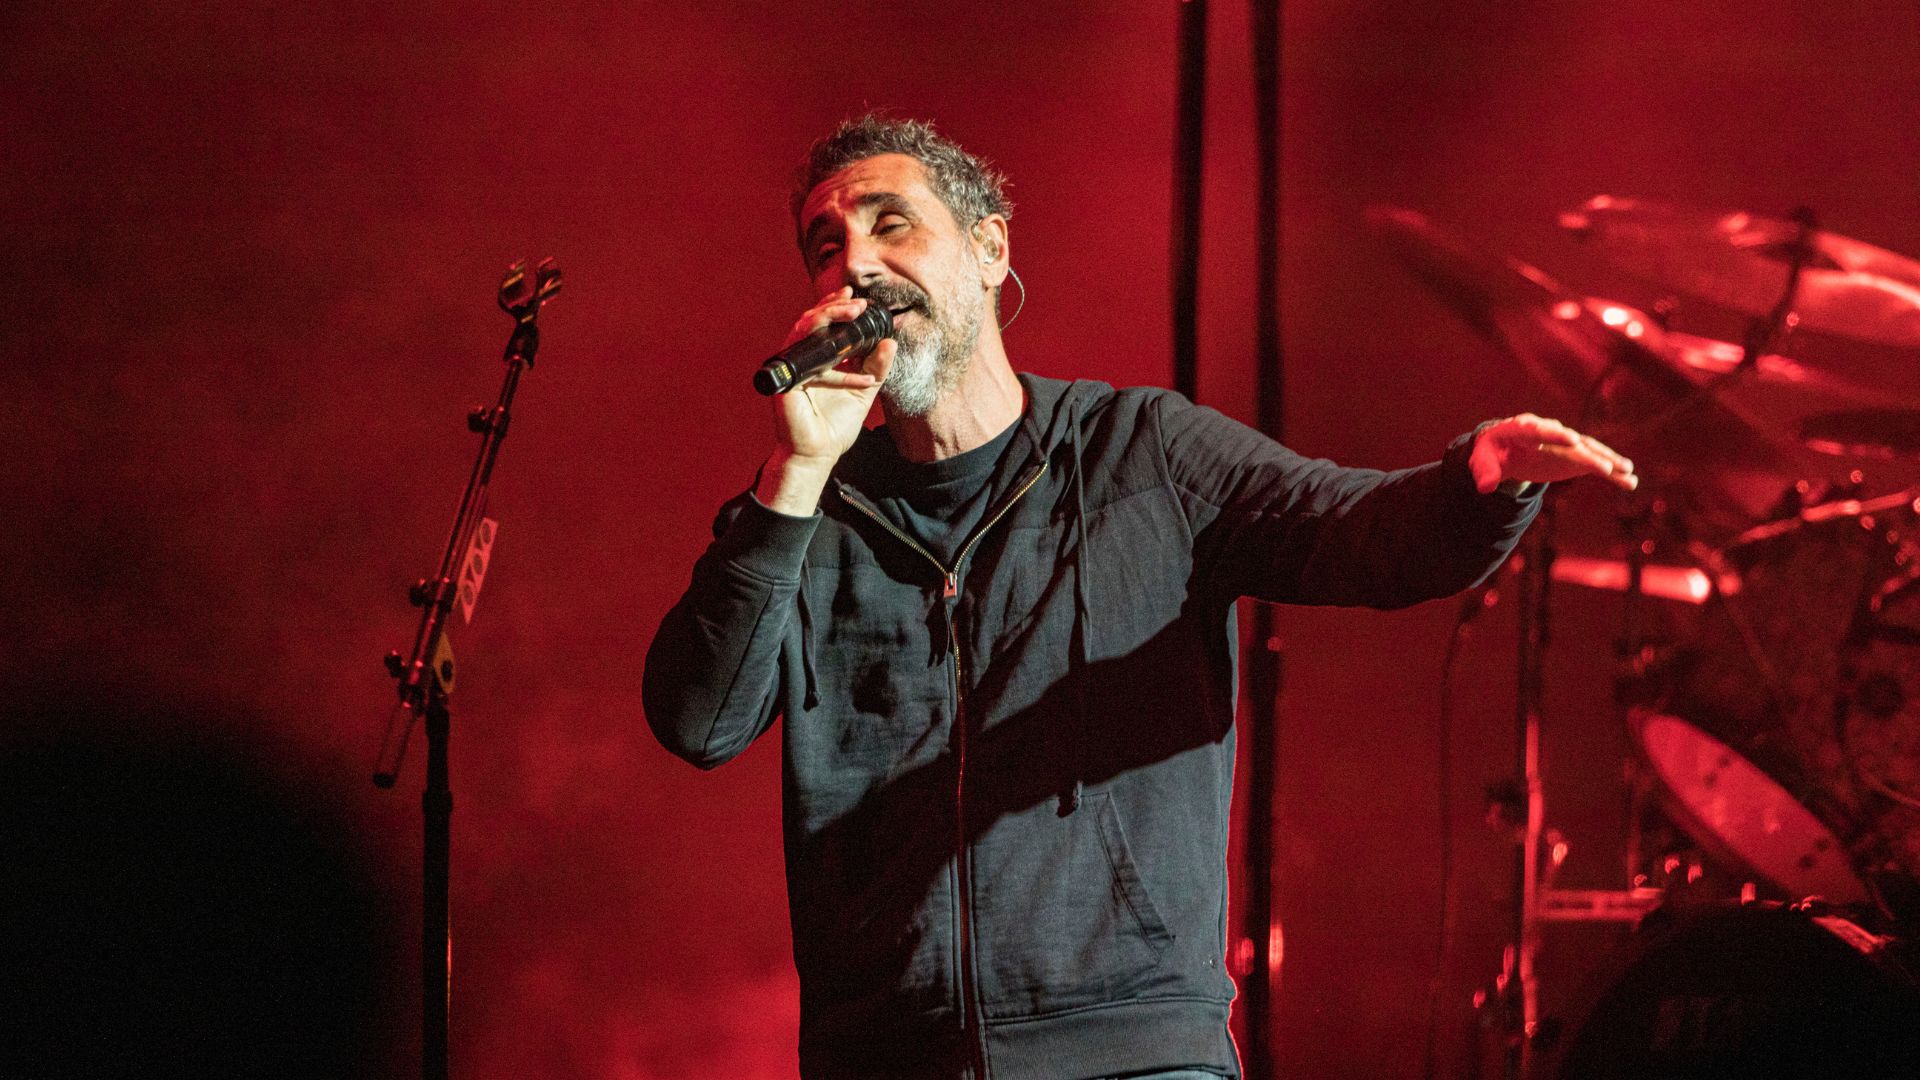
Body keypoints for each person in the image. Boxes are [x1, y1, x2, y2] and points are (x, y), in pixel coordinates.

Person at [642, 115, 1635, 1080]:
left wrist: (1480, 481)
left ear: (988, 251)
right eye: (826, 247)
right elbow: (699, 719)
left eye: (889, 224)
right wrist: (796, 472)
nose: (853, 265)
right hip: (884, 1062)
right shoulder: (808, 511)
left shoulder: (1143, 453)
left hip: (1132, 1054)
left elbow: (1361, 536)